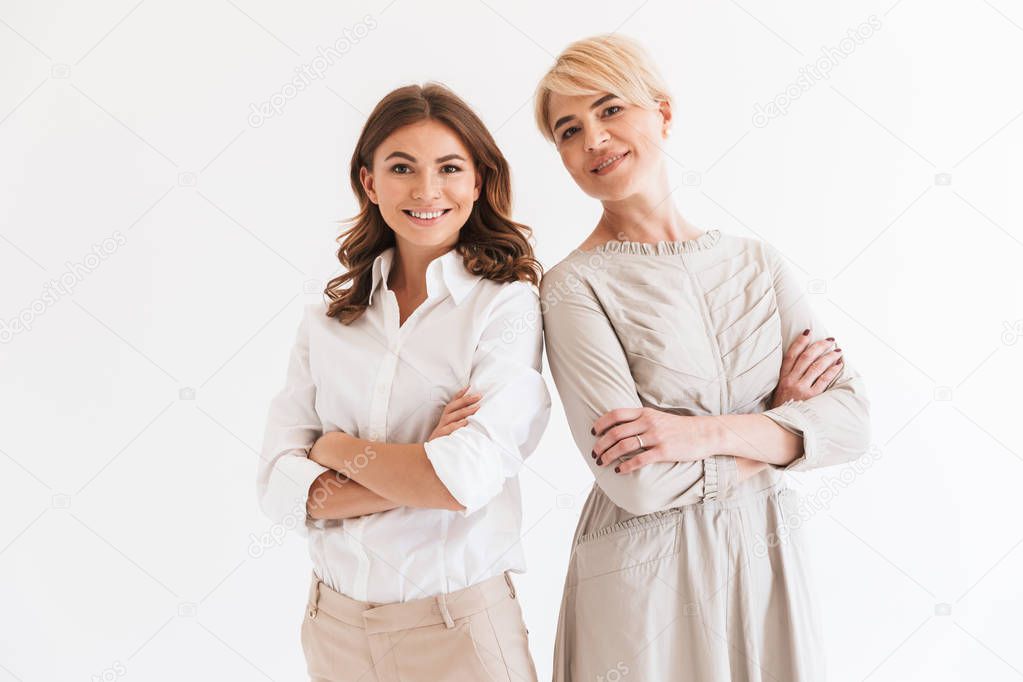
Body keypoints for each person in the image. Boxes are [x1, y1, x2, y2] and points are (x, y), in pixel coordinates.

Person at [534, 35, 871, 681]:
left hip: (763, 554)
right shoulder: (573, 286)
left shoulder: (756, 263)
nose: (593, 139)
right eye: (568, 130)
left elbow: (852, 423)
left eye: (609, 110)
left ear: (661, 113)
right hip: (643, 573)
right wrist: (784, 427)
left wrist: (696, 434)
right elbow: (639, 481)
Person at [257, 82, 550, 682]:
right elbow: (278, 489)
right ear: (369, 183)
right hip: (332, 629)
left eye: (448, 168)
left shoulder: (506, 307)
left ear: (477, 181)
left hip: (456, 633)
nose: (425, 191)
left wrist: (335, 452)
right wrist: (419, 466)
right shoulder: (329, 319)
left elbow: (461, 479)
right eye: (401, 168)